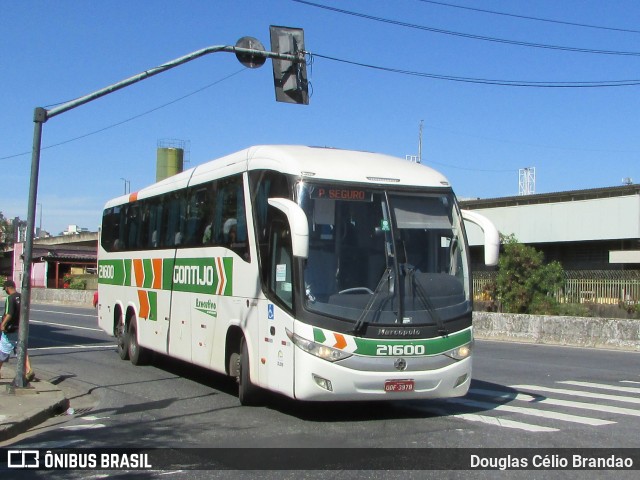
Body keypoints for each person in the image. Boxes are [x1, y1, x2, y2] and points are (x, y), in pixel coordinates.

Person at [1, 280, 34, 381]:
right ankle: (29, 370)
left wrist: (3, 324)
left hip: (10, 329)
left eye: (5, 289)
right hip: (20, 328)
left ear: (7, 288)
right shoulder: (22, 296)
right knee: (21, 349)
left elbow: (9, 314)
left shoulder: (10, 298)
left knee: (2, 350)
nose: (5, 291)